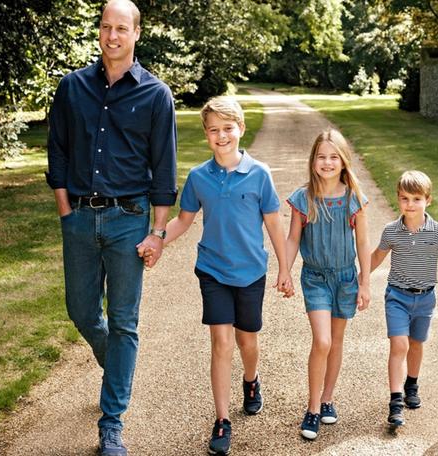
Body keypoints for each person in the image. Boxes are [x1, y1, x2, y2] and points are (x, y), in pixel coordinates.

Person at [45, 1, 176, 454]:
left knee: (124, 321)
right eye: (106, 27)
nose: (112, 36)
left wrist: (157, 233)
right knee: (82, 311)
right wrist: (65, 210)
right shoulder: (72, 87)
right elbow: (57, 152)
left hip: (128, 220)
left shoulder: (156, 95)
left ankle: (112, 422)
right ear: (99, 31)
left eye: (122, 28)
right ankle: (117, 369)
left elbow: (164, 170)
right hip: (78, 218)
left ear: (137, 33)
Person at [159, 96, 292, 456]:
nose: (221, 136)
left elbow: (274, 224)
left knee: (247, 342)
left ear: (241, 129)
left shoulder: (260, 174)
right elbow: (184, 220)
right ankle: (221, 419)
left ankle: (251, 381)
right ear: (206, 135)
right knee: (221, 342)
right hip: (213, 271)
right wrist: (157, 241)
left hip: (250, 272)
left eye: (228, 128)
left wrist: (284, 268)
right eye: (214, 130)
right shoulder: (199, 177)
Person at [370, 171, 438, 428]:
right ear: (398, 199)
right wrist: (360, 278)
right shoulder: (391, 231)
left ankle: (412, 383)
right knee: (399, 346)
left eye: (416, 198)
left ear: (428, 200)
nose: (410, 204)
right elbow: (376, 257)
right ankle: (396, 402)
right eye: (405, 198)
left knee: (416, 344)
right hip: (397, 296)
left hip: (425, 299)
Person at [284, 129, 371, 440]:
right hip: (316, 278)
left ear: (344, 161)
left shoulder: (353, 198)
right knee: (321, 341)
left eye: (334, 157)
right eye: (321, 156)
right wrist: (285, 270)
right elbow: (293, 238)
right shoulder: (303, 199)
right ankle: (312, 408)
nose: (327, 162)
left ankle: (328, 398)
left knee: (335, 341)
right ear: (313, 161)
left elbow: (362, 242)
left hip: (346, 278)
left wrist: (365, 282)